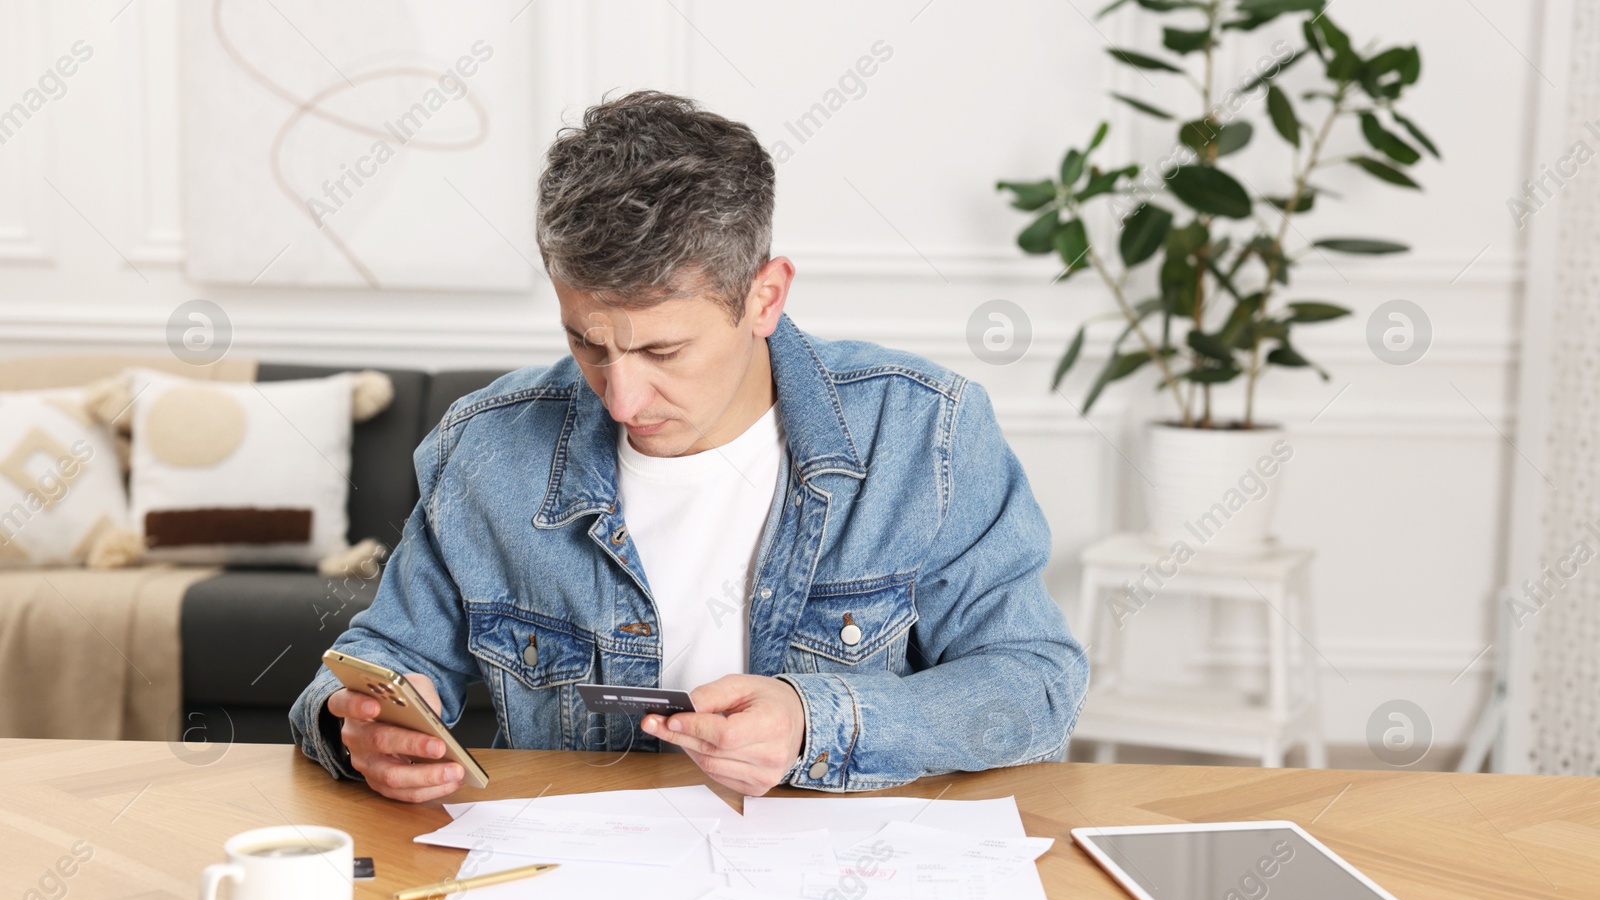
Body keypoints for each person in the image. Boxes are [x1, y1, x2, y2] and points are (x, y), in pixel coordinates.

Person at [288, 89, 1088, 801]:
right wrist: (356, 729)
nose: (622, 398)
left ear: (765, 296)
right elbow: (377, 659)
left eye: (663, 352)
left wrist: (817, 720)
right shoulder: (485, 446)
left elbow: (1036, 685)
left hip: (846, 897)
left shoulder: (924, 433)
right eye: (587, 343)